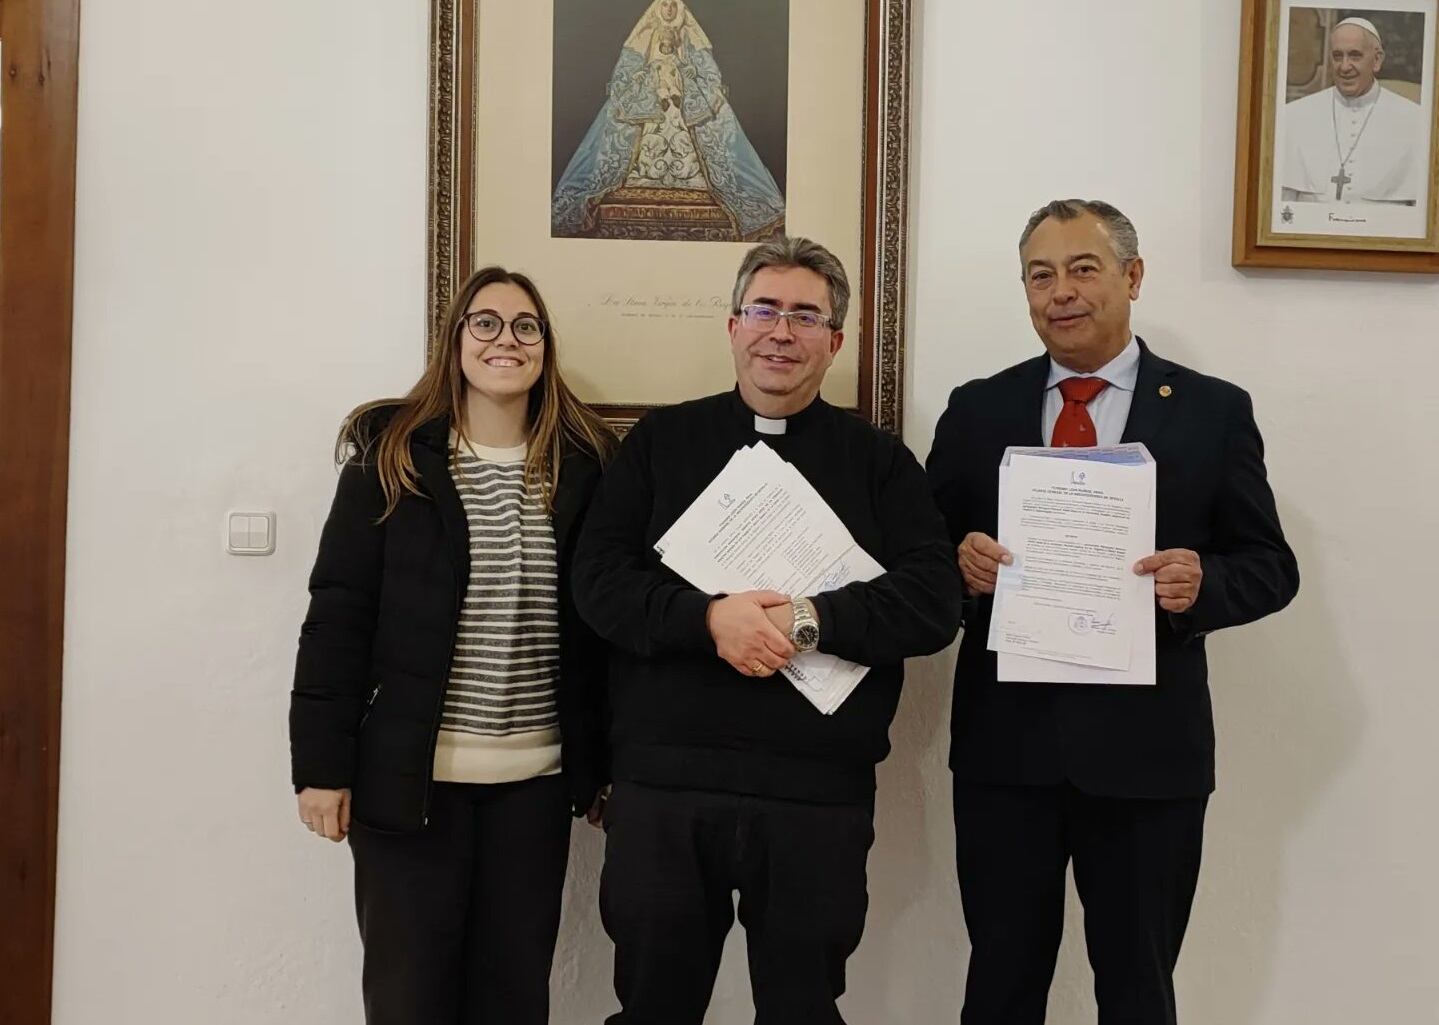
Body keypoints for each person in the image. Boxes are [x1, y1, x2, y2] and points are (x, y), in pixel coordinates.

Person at [572, 236, 964, 1024]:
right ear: (732, 326)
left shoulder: (879, 463)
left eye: (804, 315)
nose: (779, 331)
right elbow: (597, 583)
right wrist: (707, 619)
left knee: (802, 1009)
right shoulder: (660, 443)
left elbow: (933, 600)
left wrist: (813, 618)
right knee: (652, 1007)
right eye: (763, 310)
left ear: (834, 340)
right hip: (665, 785)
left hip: (814, 794)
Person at [927, 200, 1299, 1025]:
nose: (1060, 291)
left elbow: (1271, 567)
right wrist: (959, 565)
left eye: (1082, 268)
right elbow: (920, 556)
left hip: (1147, 759)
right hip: (1004, 753)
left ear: (1132, 277)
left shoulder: (1211, 411)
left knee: (1137, 992)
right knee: (999, 987)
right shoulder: (978, 408)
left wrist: (1203, 584)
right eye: (1039, 273)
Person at [288, 265, 615, 1024]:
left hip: (535, 783)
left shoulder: (584, 468)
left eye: (525, 325)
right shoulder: (392, 457)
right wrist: (320, 768)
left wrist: (605, 766)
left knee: (512, 996)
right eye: (487, 322)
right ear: (456, 341)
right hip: (406, 786)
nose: (507, 338)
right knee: (410, 996)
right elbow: (338, 618)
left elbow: (601, 639)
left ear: (546, 348)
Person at [551, 0, 785, 241]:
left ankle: (696, 177)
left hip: (683, 97)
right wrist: (644, 79)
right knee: (627, 135)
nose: (669, 10)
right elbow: (626, 73)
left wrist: (689, 75)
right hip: (651, 98)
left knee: (711, 131)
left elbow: (708, 74)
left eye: (673, 5)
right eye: (665, 4)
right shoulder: (644, 34)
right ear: (657, 8)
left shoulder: (690, 34)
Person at [1281, 17, 1425, 205]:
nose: (1344, 66)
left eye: (1355, 55)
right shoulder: (1293, 116)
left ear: (1377, 60)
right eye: (1337, 56)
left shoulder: (1415, 120)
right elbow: (1281, 208)